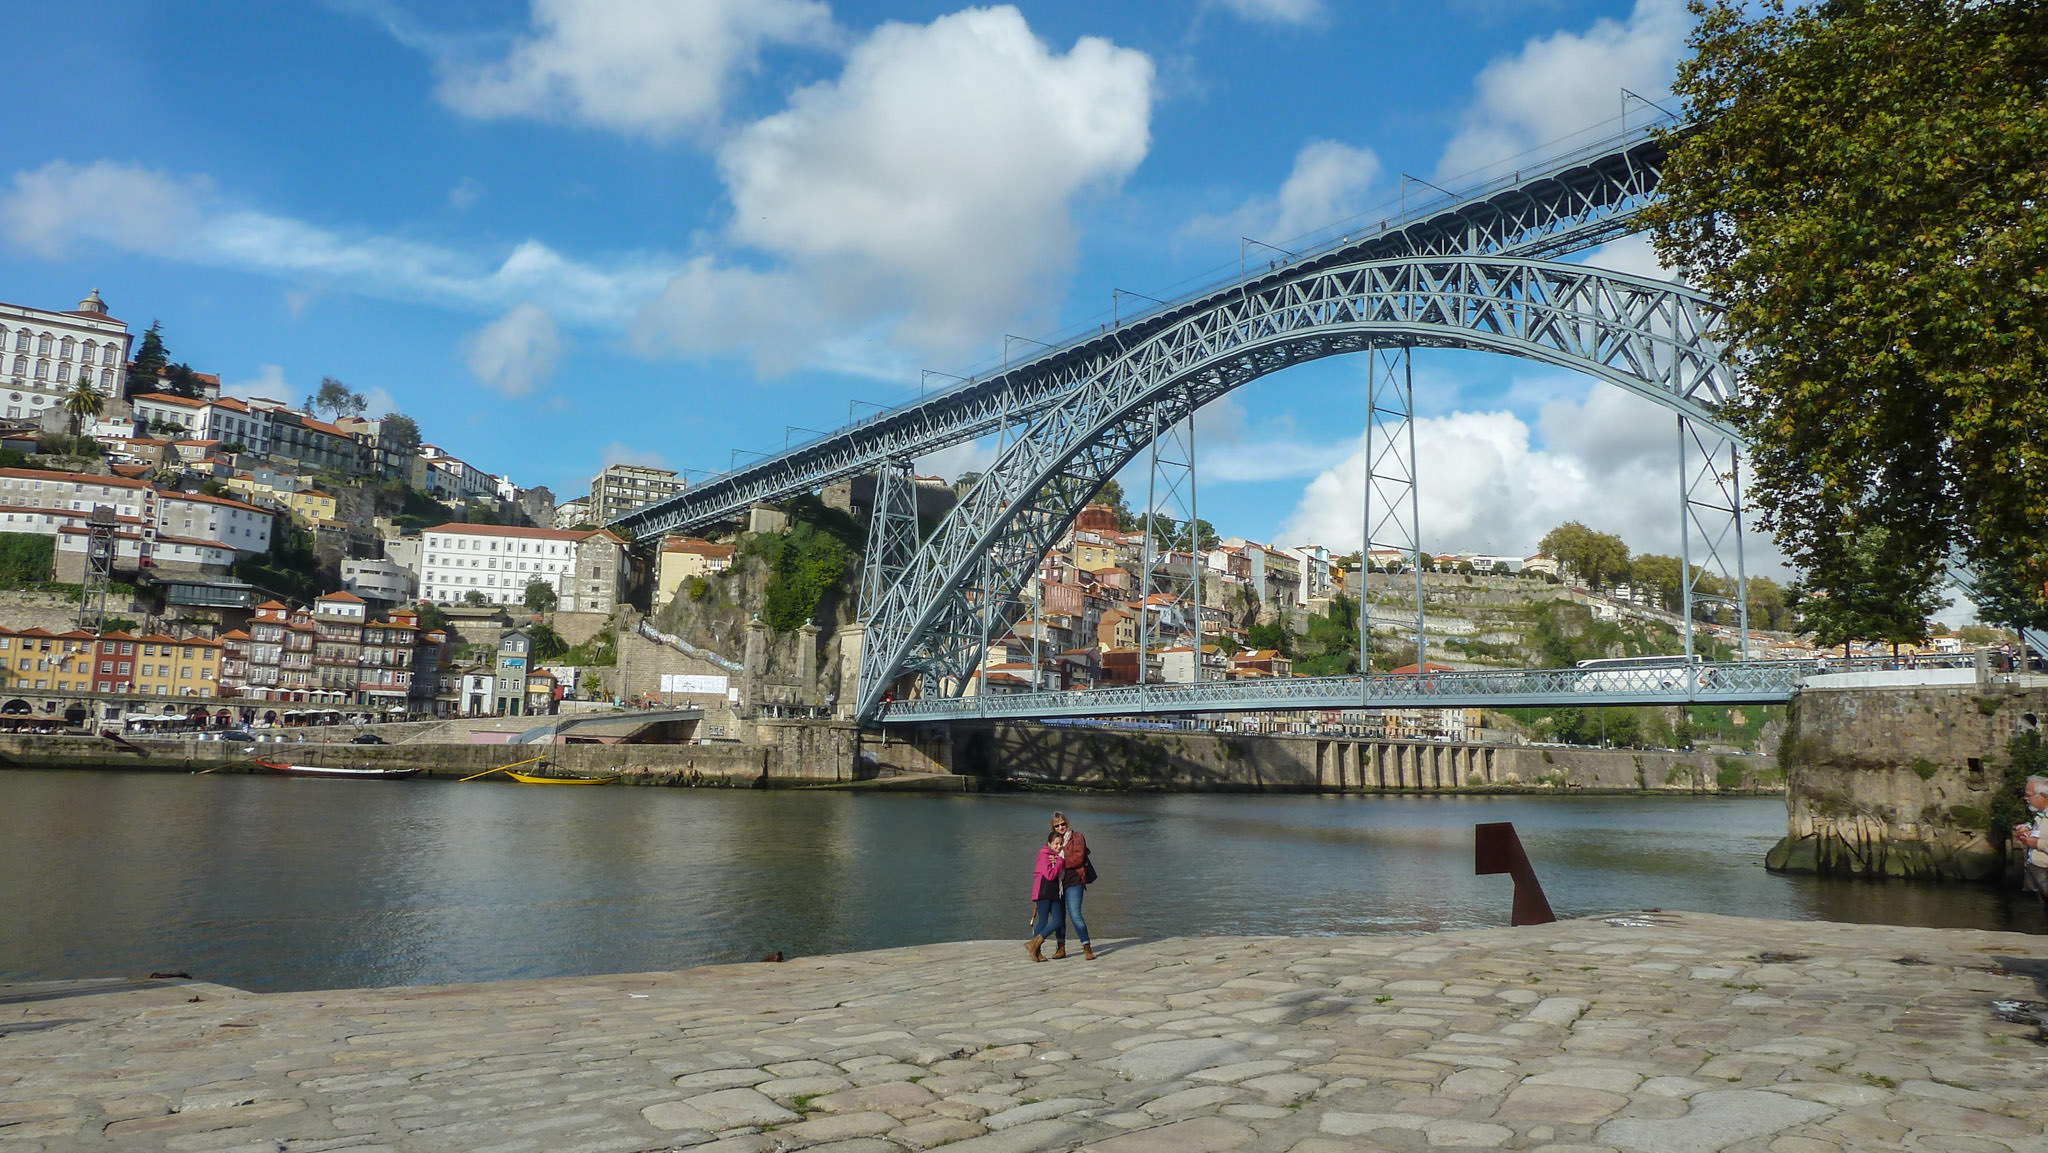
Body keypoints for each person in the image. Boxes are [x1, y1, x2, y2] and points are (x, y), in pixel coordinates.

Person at [1051, 811, 1095, 960]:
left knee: (1075, 914)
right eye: (1057, 825)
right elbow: (1047, 860)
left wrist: (1060, 861)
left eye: (1063, 824)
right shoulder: (1053, 840)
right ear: (1053, 827)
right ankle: (1061, 947)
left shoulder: (1077, 837)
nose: (1061, 827)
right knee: (1059, 916)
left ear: (1067, 823)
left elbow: (1078, 857)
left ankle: (1086, 945)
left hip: (1075, 879)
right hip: (1058, 882)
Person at [1026, 830, 1065, 962]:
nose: (1058, 846)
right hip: (1044, 892)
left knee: (1058, 920)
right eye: (1056, 844)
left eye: (1060, 844)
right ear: (1049, 843)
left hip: (1054, 892)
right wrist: (1059, 862)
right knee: (1042, 921)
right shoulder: (1044, 854)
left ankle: (1034, 945)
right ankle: (1037, 951)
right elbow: (1050, 875)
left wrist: (1059, 860)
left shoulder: (1055, 856)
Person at [2014, 775, 2048, 910]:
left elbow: (2040, 841)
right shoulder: (2040, 815)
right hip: (2039, 875)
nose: (2026, 799)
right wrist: (2027, 829)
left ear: (2042, 796)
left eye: (2029, 795)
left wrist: (2036, 843)